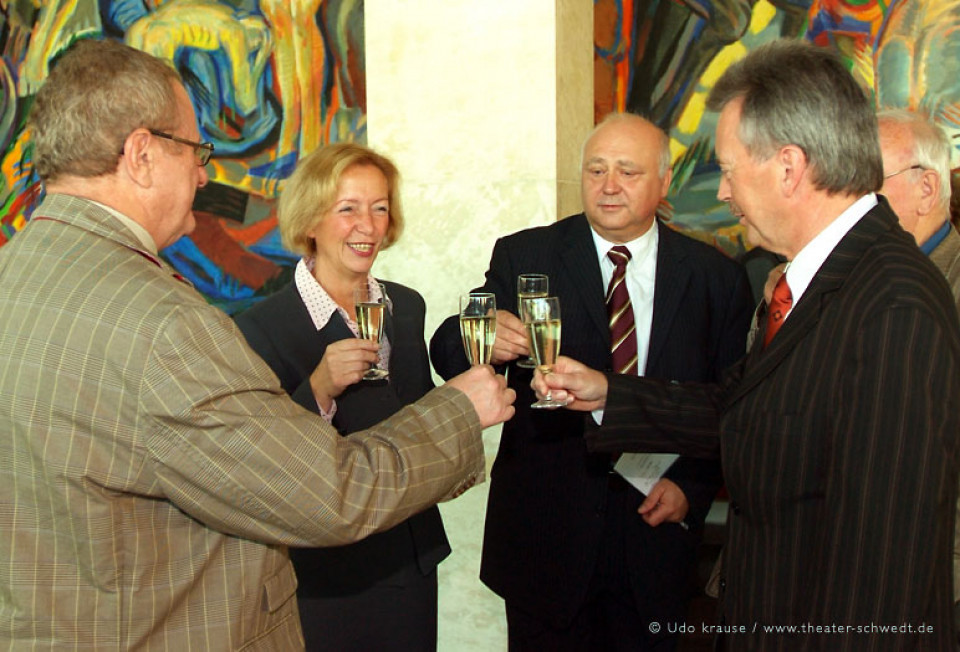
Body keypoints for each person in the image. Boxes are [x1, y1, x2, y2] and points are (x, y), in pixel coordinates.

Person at [0, 38, 515, 649]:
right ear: (141, 155)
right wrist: (460, 411)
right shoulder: (165, 324)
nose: (204, 172)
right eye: (196, 151)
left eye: (379, 209)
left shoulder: (17, 272)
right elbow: (328, 492)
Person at [536, 39, 960, 649]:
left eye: (728, 169)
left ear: (788, 167)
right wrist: (606, 394)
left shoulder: (892, 303)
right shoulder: (813, 281)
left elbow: (883, 565)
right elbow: (743, 409)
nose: (725, 194)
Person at [430, 112, 753, 650]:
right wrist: (480, 336)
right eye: (595, 170)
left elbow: (735, 402)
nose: (608, 186)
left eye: (627, 171)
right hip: (546, 537)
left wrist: (693, 488)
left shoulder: (714, 276)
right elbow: (445, 349)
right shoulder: (527, 255)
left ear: (663, 181)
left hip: (654, 533)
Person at [234, 143, 449, 651]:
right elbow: (259, 459)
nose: (368, 226)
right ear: (310, 220)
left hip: (411, 561)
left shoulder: (408, 306)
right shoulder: (261, 327)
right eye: (348, 208)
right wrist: (318, 390)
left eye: (379, 208)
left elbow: (416, 414)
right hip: (325, 577)